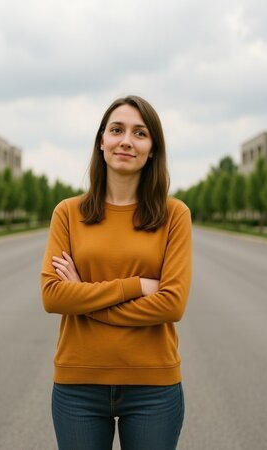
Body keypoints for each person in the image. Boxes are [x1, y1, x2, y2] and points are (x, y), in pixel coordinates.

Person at [40, 95, 192, 450]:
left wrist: (84, 297)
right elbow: (53, 296)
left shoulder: (175, 215)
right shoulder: (68, 212)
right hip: (78, 386)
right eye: (116, 130)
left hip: (153, 388)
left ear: (152, 148)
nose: (126, 140)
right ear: (101, 141)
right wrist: (136, 285)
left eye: (140, 133)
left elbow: (171, 305)